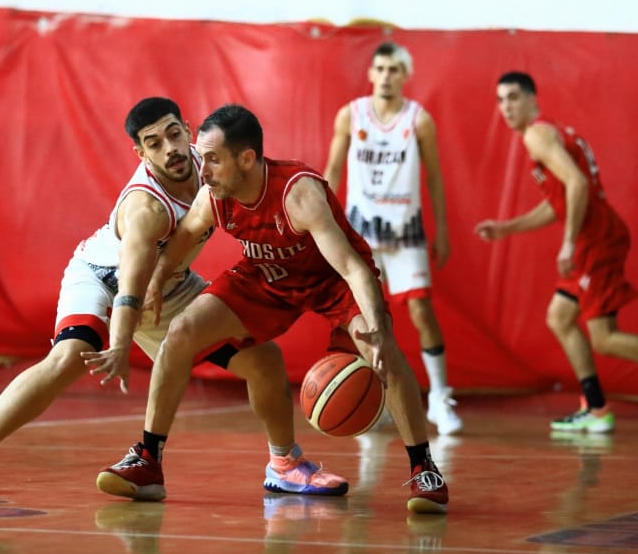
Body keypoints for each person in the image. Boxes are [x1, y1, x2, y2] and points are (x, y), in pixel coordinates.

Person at [0, 97, 346, 496]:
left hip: (169, 284)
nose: (170, 149)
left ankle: (285, 466)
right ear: (140, 153)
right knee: (68, 358)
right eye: (154, 143)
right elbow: (130, 284)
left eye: (173, 135)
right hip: (105, 279)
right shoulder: (145, 207)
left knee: (264, 360)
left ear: (188, 131)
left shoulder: (213, 166)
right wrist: (119, 342)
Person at [93, 103, 449, 514]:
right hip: (266, 275)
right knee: (182, 331)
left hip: (332, 280)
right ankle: (148, 460)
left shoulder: (297, 193)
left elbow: (351, 267)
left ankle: (424, 468)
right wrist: (156, 280)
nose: (201, 170)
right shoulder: (214, 194)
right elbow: (185, 236)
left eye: (212, 160)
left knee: (380, 350)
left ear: (246, 159)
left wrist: (378, 327)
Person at [473, 72, 638, 433]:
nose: (506, 107)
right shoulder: (548, 132)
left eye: (513, 97)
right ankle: (596, 408)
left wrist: (569, 242)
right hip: (595, 235)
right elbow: (559, 203)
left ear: (532, 99)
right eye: (500, 100)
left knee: (603, 336)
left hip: (596, 239)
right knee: (559, 317)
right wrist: (507, 228)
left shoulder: (537, 135)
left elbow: (578, 184)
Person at [323, 41, 462, 435]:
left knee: (421, 312)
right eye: (380, 68)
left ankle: (438, 396)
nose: (386, 76)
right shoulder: (351, 115)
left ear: (406, 75)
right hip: (361, 233)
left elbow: (434, 176)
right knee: (368, 317)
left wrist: (444, 229)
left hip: (406, 232)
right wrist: (323, 225)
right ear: (371, 73)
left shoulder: (419, 120)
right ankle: (376, 398)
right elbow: (332, 169)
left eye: (394, 69)